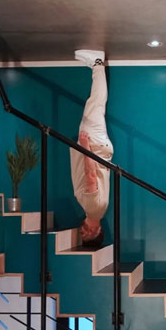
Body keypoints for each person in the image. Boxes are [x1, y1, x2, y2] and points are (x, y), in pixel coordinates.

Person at [70, 49, 113, 247]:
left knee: (96, 105)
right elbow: (91, 175)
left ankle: (96, 66)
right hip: (94, 146)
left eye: (82, 235)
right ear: (97, 231)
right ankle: (97, 62)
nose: (82, 231)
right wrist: (85, 147)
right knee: (96, 103)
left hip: (99, 148)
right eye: (87, 234)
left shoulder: (99, 210)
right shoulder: (93, 208)